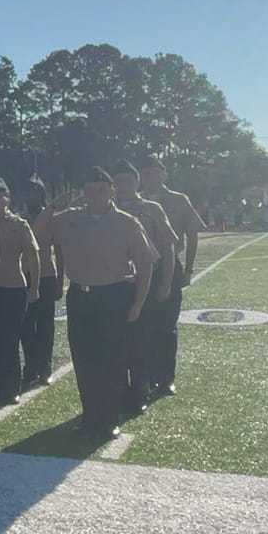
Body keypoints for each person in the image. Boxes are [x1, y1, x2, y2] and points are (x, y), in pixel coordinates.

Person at [45, 166, 156, 442]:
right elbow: (38, 236)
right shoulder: (70, 219)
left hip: (113, 297)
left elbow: (145, 265)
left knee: (112, 361)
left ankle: (109, 420)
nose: (95, 195)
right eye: (90, 190)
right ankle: (90, 417)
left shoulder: (127, 223)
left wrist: (138, 304)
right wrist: (52, 208)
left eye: (102, 189)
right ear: (83, 192)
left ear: (112, 191)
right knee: (84, 360)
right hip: (80, 297)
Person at [112, 161, 175, 419]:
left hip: (146, 280)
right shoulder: (107, 208)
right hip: (114, 283)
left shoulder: (151, 208)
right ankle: (118, 391)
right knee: (117, 341)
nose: (123, 186)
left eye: (128, 180)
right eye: (118, 181)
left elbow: (167, 248)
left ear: (137, 182)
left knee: (142, 338)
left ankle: (140, 392)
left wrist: (166, 283)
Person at [139, 154, 203, 397]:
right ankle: (146, 376)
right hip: (141, 268)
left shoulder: (178, 200)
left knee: (166, 325)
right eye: (145, 173)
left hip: (169, 266)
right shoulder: (135, 200)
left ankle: (166, 378)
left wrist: (188, 269)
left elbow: (192, 234)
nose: (149, 177)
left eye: (155, 172)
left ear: (164, 174)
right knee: (143, 325)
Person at [0, 178, 39, 406]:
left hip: (13, 289)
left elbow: (33, 256)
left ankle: (12, 388)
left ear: (7, 199)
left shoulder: (19, 225)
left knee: (10, 341)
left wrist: (34, 287)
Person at [20, 174, 61, 387]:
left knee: (45, 325)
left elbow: (59, 251)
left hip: (46, 276)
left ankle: (45, 368)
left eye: (35, 191)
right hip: (23, 276)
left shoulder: (52, 218)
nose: (31, 196)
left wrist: (60, 281)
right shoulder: (19, 219)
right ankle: (30, 366)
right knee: (25, 325)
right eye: (28, 191)